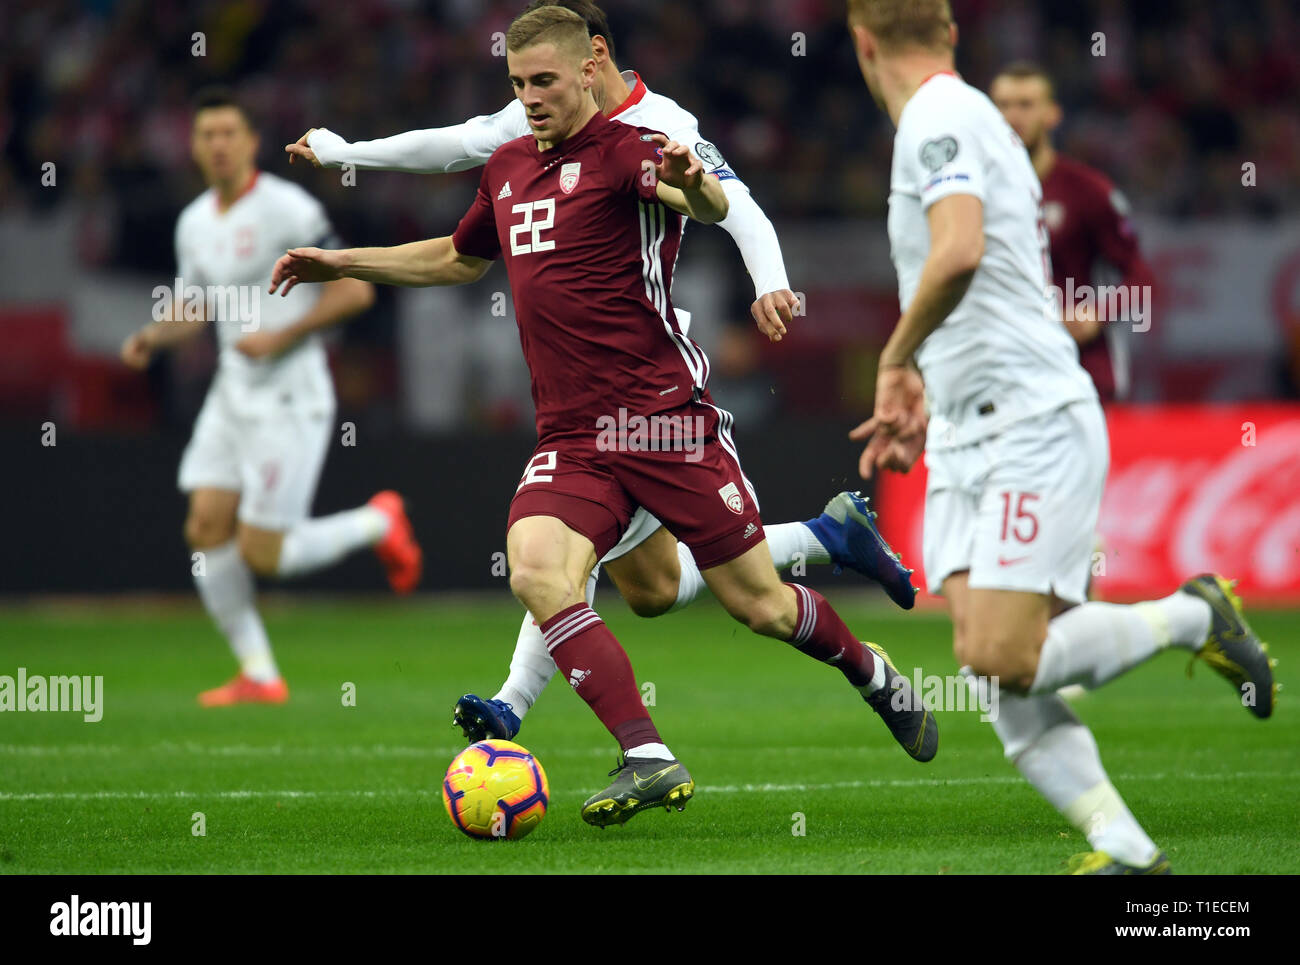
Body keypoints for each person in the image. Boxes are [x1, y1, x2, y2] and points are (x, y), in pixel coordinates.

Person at [272, 6, 937, 827]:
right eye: (518, 84)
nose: (530, 99)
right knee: (546, 569)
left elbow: (710, 199)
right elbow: (453, 256)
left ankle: (872, 672)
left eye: (543, 81)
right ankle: (647, 755)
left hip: (664, 423)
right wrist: (338, 260)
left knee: (759, 605)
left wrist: (702, 193)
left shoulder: (638, 146)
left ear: (590, 68)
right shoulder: (511, 163)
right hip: (574, 437)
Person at [844, 0, 1274, 873]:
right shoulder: (971, 119)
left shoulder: (938, 113)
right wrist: (929, 386)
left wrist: (894, 359)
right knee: (992, 667)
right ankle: (1123, 846)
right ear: (951, 30)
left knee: (1004, 652)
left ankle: (1197, 613)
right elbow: (988, 276)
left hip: (1031, 422)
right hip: (972, 427)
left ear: (860, 42)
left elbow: (959, 251)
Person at [121, 87, 422, 707]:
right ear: (195, 145)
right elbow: (195, 308)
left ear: (252, 142)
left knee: (263, 553)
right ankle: (259, 673)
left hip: (291, 394)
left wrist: (282, 335)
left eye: (230, 133)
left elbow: (356, 291)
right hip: (232, 395)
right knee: (205, 525)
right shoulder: (195, 222)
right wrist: (153, 336)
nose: (219, 145)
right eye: (207, 135)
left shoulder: (287, 208)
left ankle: (377, 521)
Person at [990, 61, 1157, 403]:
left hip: (1080, 371)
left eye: (1025, 104)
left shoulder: (1087, 190)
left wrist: (1097, 314)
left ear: (1052, 114)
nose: (1013, 116)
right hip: (1008, 373)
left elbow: (1141, 280)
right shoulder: (978, 193)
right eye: (1003, 106)